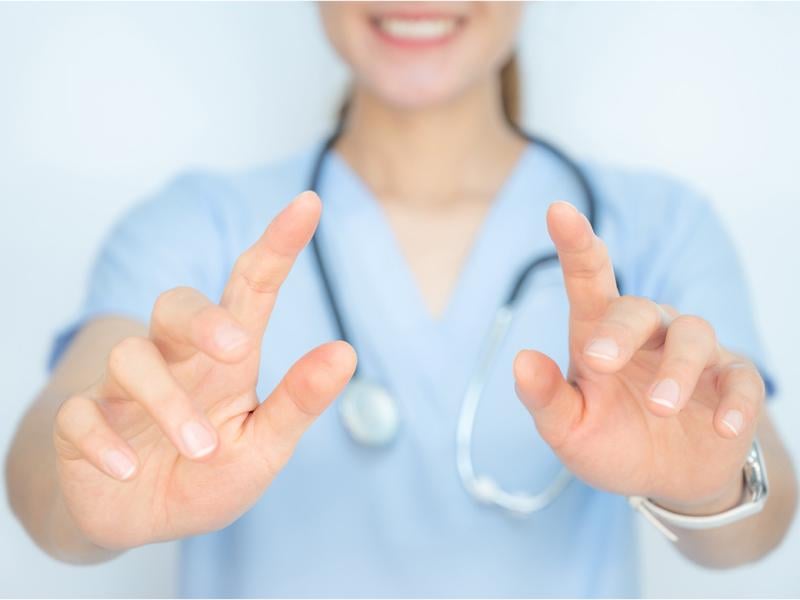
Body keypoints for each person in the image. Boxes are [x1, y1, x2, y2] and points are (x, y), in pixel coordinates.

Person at [5, 2, 797, 597]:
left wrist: (707, 480)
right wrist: (84, 489)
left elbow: (760, 519)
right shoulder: (195, 226)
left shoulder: (659, 228)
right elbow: (53, 451)